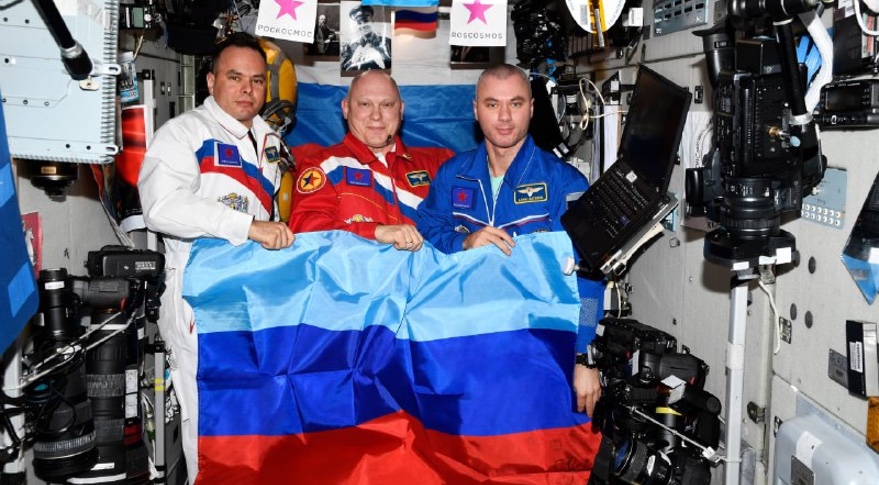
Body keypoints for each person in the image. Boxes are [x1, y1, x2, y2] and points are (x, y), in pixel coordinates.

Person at [137, 32, 295, 481]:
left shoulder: (268, 139)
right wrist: (246, 226)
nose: (247, 89)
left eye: (257, 80)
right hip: (200, 304)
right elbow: (161, 207)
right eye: (235, 77)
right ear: (210, 81)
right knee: (210, 427)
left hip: (252, 302)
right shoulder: (184, 134)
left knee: (253, 424)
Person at [417, 64, 604, 417]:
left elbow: (590, 277)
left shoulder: (565, 183)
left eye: (515, 104)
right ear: (476, 110)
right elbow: (427, 233)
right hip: (463, 344)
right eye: (492, 104)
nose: (504, 117)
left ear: (531, 108)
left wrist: (584, 355)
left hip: (537, 351)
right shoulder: (452, 175)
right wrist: (462, 244)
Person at [288, 70, 453, 251]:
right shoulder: (323, 166)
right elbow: (306, 231)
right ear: (346, 108)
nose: (376, 116)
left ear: (401, 109)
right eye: (365, 104)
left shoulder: (439, 165)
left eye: (387, 105)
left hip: (428, 270)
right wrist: (375, 232)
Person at [341, 5, 392, 71]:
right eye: (359, 23)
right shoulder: (351, 47)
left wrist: (380, 55)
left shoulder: (388, 42)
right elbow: (343, 69)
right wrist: (352, 60)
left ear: (372, 21)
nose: (363, 25)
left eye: (366, 21)